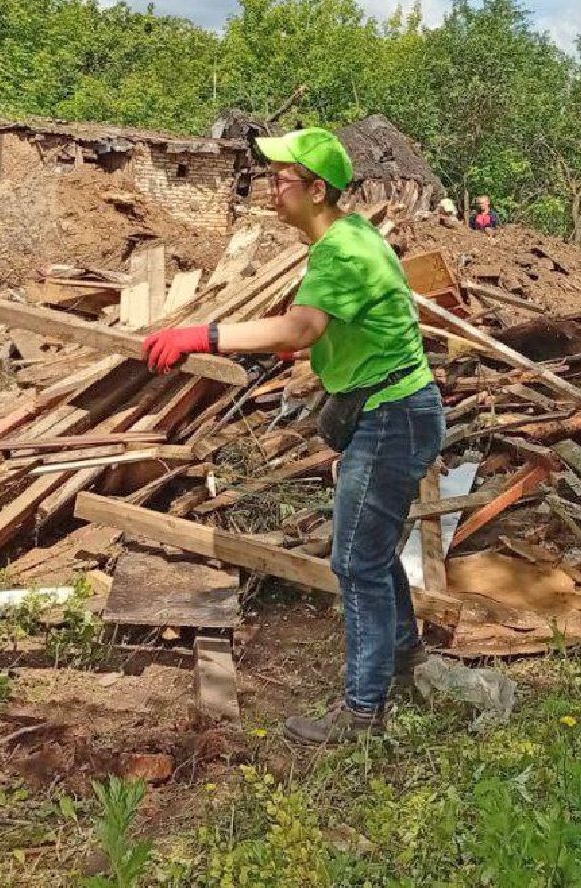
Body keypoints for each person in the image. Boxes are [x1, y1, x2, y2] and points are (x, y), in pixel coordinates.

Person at [141, 127, 444, 744]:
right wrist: (313, 348)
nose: (270, 185)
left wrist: (207, 335)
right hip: (398, 407)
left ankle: (362, 713)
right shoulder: (354, 236)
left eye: (282, 177)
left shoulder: (340, 250)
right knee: (374, 552)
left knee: (355, 562)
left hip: (390, 416)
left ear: (316, 189)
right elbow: (345, 325)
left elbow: (302, 326)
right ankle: (405, 662)